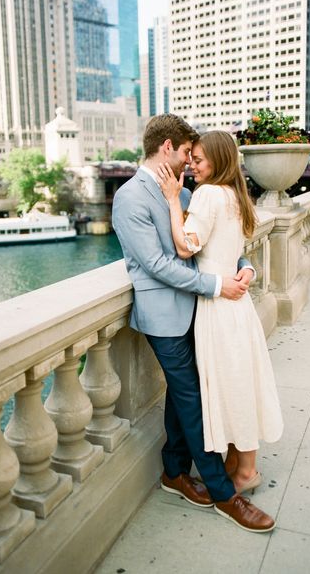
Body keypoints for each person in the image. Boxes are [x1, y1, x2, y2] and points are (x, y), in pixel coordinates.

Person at [112, 114, 275, 533]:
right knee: (192, 400)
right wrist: (218, 285)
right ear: (167, 147)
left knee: (181, 398)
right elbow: (157, 265)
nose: (190, 161)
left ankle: (174, 472)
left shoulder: (184, 193)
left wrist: (245, 268)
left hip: (202, 311)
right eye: (187, 152)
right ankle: (225, 495)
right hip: (165, 316)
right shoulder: (130, 198)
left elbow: (216, 244)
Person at [156, 130, 284, 494]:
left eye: (198, 159)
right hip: (238, 306)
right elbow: (232, 250)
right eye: (191, 157)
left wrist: (171, 200)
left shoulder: (209, 194)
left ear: (218, 160)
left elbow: (185, 248)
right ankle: (239, 465)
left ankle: (244, 473)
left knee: (230, 387)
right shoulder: (235, 195)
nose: (192, 165)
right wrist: (248, 270)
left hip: (218, 308)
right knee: (242, 383)